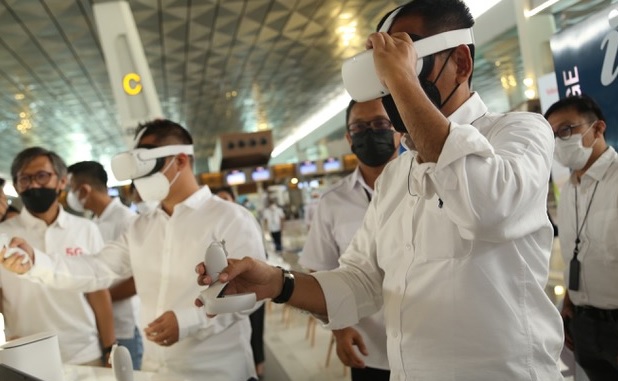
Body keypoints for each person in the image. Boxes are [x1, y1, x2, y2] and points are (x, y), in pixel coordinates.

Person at [195, 1, 564, 379]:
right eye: (384, 71)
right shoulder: (395, 176)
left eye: (406, 61)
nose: (389, 83)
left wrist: (403, 82)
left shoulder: (520, 132)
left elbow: (486, 206)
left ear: (461, 63)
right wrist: (278, 283)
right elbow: (359, 282)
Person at [1, 120, 266, 380]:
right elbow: (96, 269)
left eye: (147, 165)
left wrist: (189, 320)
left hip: (217, 369)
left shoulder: (230, 218)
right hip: (155, 370)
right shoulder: (141, 226)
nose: (140, 178)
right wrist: (37, 262)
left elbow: (253, 291)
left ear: (181, 161)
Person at [299, 99, 400, 380]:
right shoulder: (332, 203)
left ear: (398, 128)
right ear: (348, 137)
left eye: (380, 124)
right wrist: (339, 330)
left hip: (428, 348)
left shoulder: (425, 182)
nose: (370, 133)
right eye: (359, 127)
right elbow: (319, 270)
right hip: (370, 350)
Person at [0, 147, 116, 366]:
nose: (33, 185)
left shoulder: (85, 229)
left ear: (62, 181)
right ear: (15, 185)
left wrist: (110, 346)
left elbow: (98, 292)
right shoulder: (3, 234)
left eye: (42, 176)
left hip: (83, 352)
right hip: (25, 354)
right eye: (24, 179)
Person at [544, 94, 618, 381]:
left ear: (597, 128)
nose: (559, 141)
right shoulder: (570, 189)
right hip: (584, 324)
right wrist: (570, 306)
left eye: (566, 129)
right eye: (552, 135)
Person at [66, 160, 143, 370]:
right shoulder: (94, 222)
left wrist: (99, 297)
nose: (69, 196)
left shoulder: (127, 220)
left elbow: (138, 279)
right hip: (100, 326)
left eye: (71, 189)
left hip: (124, 325)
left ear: (84, 190)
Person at [215, 186, 266, 379]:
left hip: (253, 284)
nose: (223, 203)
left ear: (233, 199)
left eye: (225, 198)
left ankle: (260, 366)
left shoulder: (243, 219)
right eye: (219, 199)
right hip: (230, 288)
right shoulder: (216, 226)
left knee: (257, 329)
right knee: (242, 330)